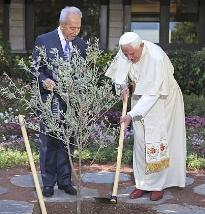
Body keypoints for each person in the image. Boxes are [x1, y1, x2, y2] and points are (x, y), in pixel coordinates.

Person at [105, 32, 186, 201]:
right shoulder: (126, 50)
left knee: (157, 140)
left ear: (141, 46)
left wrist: (131, 115)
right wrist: (122, 86)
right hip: (139, 95)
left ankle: (158, 185)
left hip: (163, 99)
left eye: (132, 54)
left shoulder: (155, 58)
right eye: (125, 53)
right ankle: (142, 183)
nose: (129, 57)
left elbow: (152, 94)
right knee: (141, 142)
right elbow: (119, 75)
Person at [32, 6, 87, 197]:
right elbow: (34, 69)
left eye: (78, 28)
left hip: (70, 104)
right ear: (61, 25)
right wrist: (43, 80)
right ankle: (48, 182)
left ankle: (65, 180)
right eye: (72, 28)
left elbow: (83, 75)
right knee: (49, 142)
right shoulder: (44, 40)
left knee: (68, 142)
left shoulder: (81, 45)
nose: (75, 32)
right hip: (49, 101)